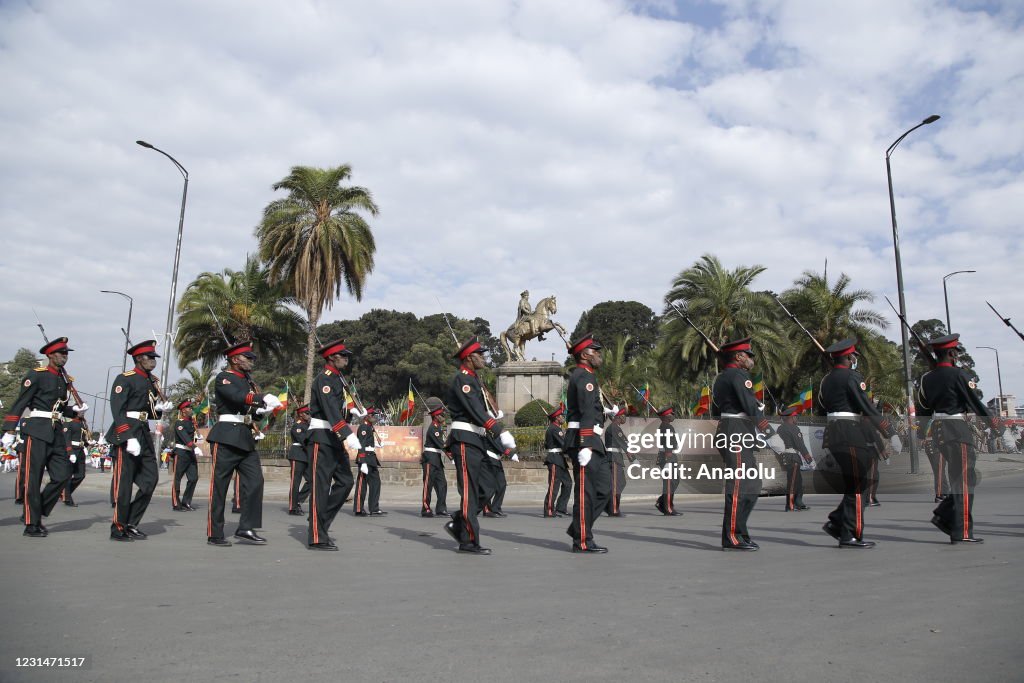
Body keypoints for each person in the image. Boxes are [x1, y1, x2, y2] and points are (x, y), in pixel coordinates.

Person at [918, 334, 999, 544]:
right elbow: (976, 403)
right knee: (964, 482)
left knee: (959, 479)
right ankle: (961, 530)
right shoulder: (959, 375)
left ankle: (948, 518)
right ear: (952, 353)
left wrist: (920, 433)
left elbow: (923, 407)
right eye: (956, 353)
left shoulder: (927, 378)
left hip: (938, 430)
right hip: (956, 429)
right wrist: (995, 426)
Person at [2, 337, 82, 537]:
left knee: (63, 475)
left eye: (66, 353)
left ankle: (36, 512)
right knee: (33, 479)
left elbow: (60, 407)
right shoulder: (36, 375)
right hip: (37, 430)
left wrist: (75, 411)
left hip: (56, 431)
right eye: (61, 353)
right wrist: (10, 429)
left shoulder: (64, 379)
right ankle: (31, 523)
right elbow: (22, 402)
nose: (65, 356)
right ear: (50, 355)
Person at [443, 336, 516, 555]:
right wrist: (500, 430)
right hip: (465, 438)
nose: (484, 357)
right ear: (468, 358)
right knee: (471, 491)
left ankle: (459, 519)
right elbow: (474, 409)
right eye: (480, 354)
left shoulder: (474, 380)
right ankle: (468, 541)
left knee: (489, 486)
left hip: (478, 439)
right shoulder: (463, 379)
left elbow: (481, 408)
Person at [819, 338, 894, 549]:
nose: (855, 360)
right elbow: (866, 407)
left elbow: (822, 404)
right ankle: (851, 534)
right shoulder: (852, 377)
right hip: (850, 433)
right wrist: (889, 430)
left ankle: (837, 521)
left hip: (833, 433)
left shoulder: (827, 380)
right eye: (854, 356)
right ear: (848, 357)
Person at [206, 342, 274, 547]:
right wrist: (261, 398)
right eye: (248, 358)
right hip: (226, 437)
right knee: (220, 487)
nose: (252, 361)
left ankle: (246, 527)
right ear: (235, 359)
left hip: (244, 437)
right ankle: (215, 532)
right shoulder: (224, 378)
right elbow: (236, 398)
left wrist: (260, 411)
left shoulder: (248, 381)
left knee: (255, 481)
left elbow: (247, 408)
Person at [711, 337, 774, 551]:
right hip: (735, 430)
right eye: (748, 355)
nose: (751, 359)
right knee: (739, 485)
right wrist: (768, 430)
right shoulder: (738, 375)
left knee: (752, 484)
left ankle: (740, 531)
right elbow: (749, 406)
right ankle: (732, 536)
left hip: (735, 429)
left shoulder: (723, 377)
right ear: (738, 356)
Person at [107, 340, 174, 542]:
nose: (153, 361)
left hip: (143, 432)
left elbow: (147, 411)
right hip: (127, 433)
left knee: (150, 481)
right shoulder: (124, 379)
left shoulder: (150, 381)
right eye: (149, 357)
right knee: (124, 484)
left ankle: (131, 522)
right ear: (138, 358)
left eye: (154, 357)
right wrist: (127, 437)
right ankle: (118, 527)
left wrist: (160, 410)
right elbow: (118, 410)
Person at [306, 339, 362, 550]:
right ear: (331, 357)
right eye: (342, 355)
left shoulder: (339, 379)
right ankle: (317, 536)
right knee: (320, 488)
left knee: (346, 481)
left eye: (347, 355)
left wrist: (350, 414)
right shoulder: (325, 379)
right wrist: (346, 433)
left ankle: (319, 521)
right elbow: (329, 408)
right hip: (321, 436)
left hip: (333, 437)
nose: (346, 358)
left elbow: (337, 409)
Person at [564, 333, 614, 553]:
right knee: (585, 493)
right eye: (595, 352)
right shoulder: (583, 376)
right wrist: (585, 443)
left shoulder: (588, 375)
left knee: (604, 489)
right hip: (584, 440)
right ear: (585, 354)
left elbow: (592, 409)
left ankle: (578, 528)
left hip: (594, 439)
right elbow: (584, 410)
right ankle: (582, 539)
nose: (599, 355)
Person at [353, 408, 386, 516]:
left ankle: (374, 508)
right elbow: (361, 444)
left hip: (371, 458)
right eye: (372, 415)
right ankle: (358, 508)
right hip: (365, 458)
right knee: (362, 484)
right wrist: (362, 461)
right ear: (367, 416)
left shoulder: (369, 427)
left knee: (376, 483)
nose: (375, 417)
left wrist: (376, 444)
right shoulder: (363, 427)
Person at [777, 406, 811, 511]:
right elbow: (800, 444)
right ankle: (790, 505)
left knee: (798, 481)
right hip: (793, 457)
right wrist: (807, 456)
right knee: (793, 483)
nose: (797, 418)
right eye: (795, 416)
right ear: (791, 417)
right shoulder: (794, 428)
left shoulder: (780, 427)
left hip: (786, 457)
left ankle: (798, 503)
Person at [171, 399, 202, 512]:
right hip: (181, 453)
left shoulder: (191, 422)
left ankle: (186, 502)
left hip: (190, 454)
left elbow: (194, 436)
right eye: (188, 408)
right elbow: (184, 437)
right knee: (177, 479)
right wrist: (194, 447)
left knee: (193, 478)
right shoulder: (179, 423)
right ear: (183, 410)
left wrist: (198, 437)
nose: (191, 409)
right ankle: (176, 503)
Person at [420, 404, 449, 517]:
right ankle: (426, 508)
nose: (443, 416)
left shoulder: (438, 427)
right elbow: (441, 445)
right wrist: (452, 455)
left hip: (436, 458)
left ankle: (441, 508)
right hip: (430, 458)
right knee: (428, 485)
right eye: (441, 414)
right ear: (436, 416)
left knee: (442, 484)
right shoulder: (433, 428)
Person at [542, 404, 571, 518]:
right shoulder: (554, 429)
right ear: (556, 418)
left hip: (560, 459)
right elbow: (564, 444)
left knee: (568, 483)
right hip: (554, 459)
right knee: (554, 486)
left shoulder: (557, 428)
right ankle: (549, 510)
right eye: (561, 416)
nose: (563, 417)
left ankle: (561, 508)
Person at [653, 407, 682, 516]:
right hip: (667, 457)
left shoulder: (665, 426)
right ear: (666, 416)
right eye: (671, 414)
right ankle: (668, 508)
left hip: (667, 456)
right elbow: (668, 445)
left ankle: (662, 501)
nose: (673, 415)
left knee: (674, 480)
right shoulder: (667, 427)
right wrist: (668, 461)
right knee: (669, 483)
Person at [604, 406, 633, 517]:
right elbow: (623, 444)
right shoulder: (614, 427)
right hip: (614, 458)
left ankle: (610, 507)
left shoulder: (615, 427)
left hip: (616, 457)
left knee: (620, 483)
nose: (624, 418)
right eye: (623, 416)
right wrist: (633, 459)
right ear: (618, 417)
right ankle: (614, 509)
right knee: (616, 484)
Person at [286, 404, 312, 516]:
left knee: (311, 480)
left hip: (305, 456)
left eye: (309, 413)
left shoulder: (308, 425)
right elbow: (304, 441)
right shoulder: (297, 426)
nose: (308, 415)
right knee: (295, 482)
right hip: (297, 455)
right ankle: (293, 507)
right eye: (307, 413)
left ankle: (298, 500)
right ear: (301, 415)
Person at [60, 409, 89, 507]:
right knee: (68, 476)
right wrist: (70, 452)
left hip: (80, 451)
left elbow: (83, 438)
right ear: (75, 413)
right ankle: (67, 498)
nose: (83, 413)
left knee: (81, 475)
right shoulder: (69, 424)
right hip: (72, 451)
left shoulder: (83, 424)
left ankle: (64, 493)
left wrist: (88, 442)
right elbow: (66, 439)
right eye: (81, 412)